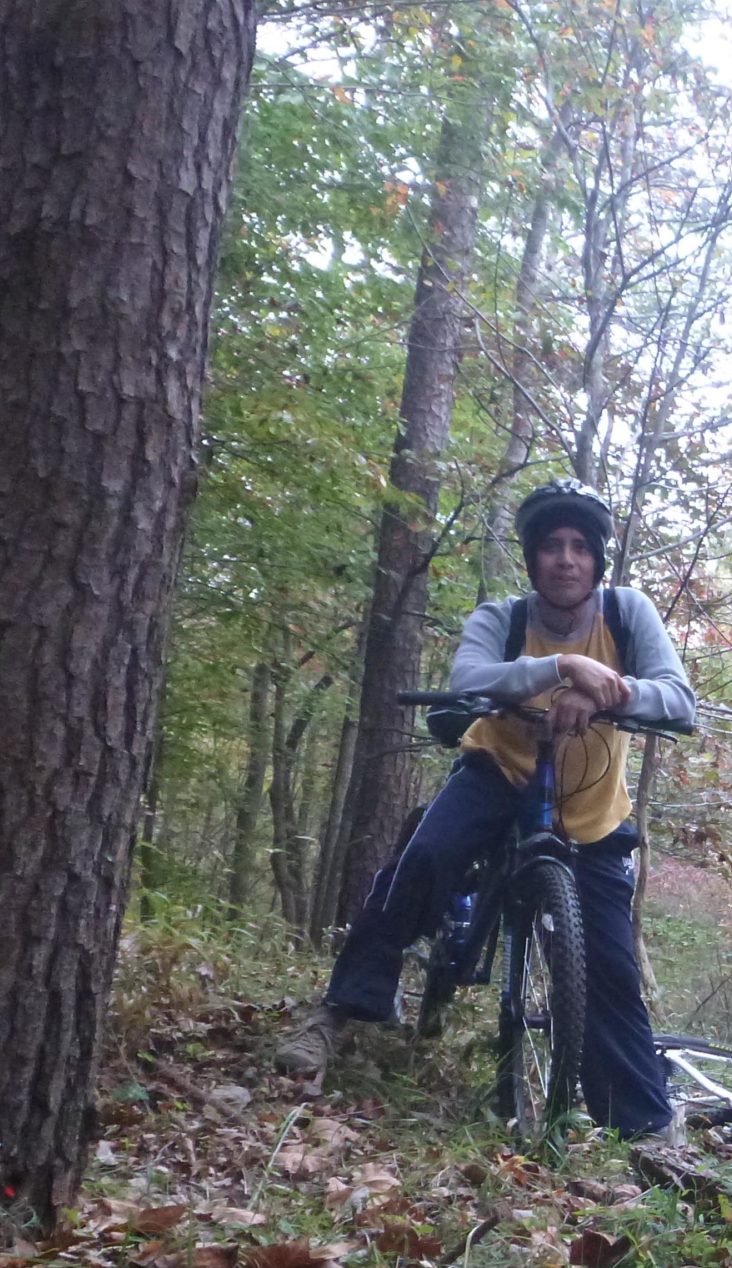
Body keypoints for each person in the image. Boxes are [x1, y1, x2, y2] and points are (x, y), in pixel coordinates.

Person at [276, 478, 696, 1134]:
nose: (566, 559)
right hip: (497, 770)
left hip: (589, 809)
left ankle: (643, 1126)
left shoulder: (627, 612)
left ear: (597, 560)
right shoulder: (502, 617)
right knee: (425, 861)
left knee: (608, 962)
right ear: (532, 558)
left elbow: (677, 698)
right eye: (551, 546)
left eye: (580, 547)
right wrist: (561, 667)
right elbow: (468, 680)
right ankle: (340, 1012)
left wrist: (603, 693)